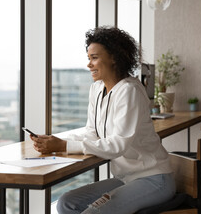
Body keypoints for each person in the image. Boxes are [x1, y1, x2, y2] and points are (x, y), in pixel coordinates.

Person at [30, 26, 175, 214]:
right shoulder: (97, 89)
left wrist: (63, 146)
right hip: (126, 177)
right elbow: (92, 132)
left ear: (114, 57)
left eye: (95, 58)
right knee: (66, 203)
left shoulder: (130, 90)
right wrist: (54, 141)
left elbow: (117, 145)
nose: (89, 64)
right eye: (89, 58)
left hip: (154, 178)